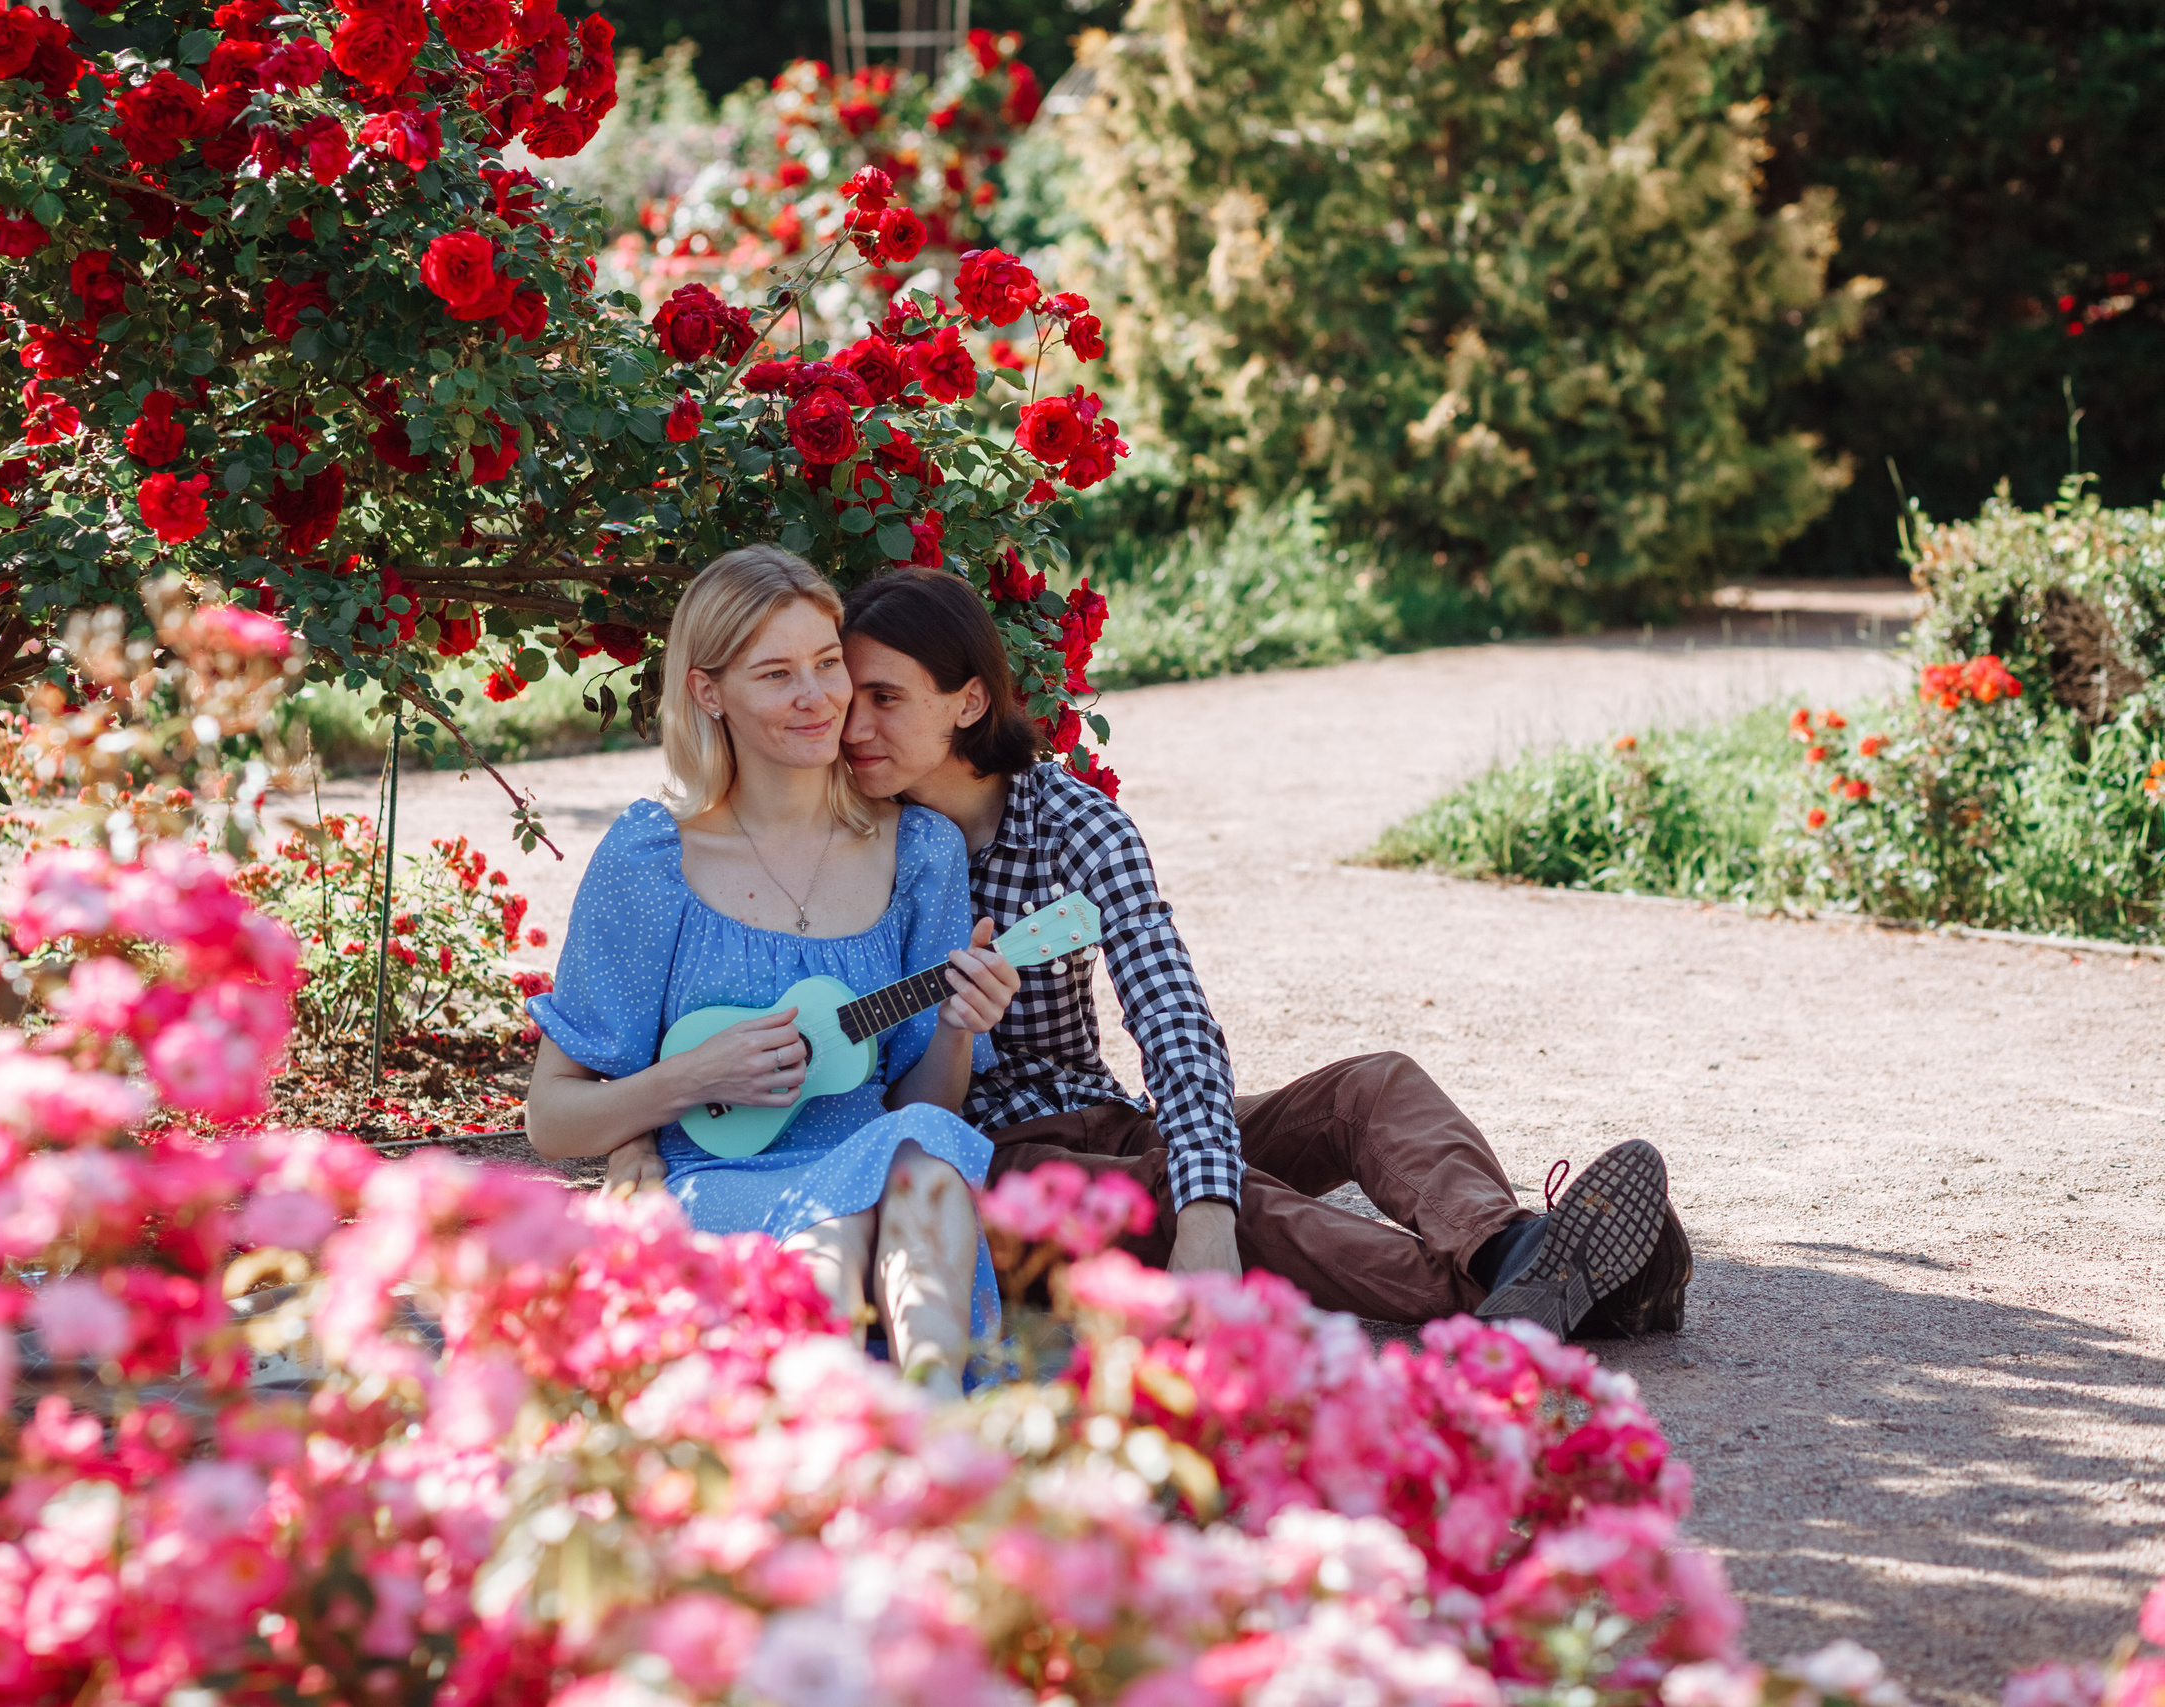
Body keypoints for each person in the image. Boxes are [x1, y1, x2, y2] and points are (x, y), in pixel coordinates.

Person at [802, 565, 1688, 1338]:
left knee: (1366, 1090)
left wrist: (1205, 1214)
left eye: (886, 699)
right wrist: (1206, 1205)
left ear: (967, 701)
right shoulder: (847, 836)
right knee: (1214, 1196)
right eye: (852, 699)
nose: (854, 728)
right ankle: (1550, 1291)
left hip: (1105, 1114)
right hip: (990, 1161)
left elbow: (1170, 1012)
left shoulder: (1073, 824)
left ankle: (1508, 1249)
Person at [522, 547, 1022, 1397]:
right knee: (827, 1245)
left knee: (931, 1161)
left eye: (828, 663)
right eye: (776, 674)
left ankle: (941, 1427)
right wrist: (690, 1079)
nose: (817, 697)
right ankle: (831, 1438)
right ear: (708, 691)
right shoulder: (653, 861)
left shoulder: (920, 852)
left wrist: (956, 1025)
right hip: (718, 1184)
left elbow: (923, 1106)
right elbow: (552, 1119)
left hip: (879, 1161)